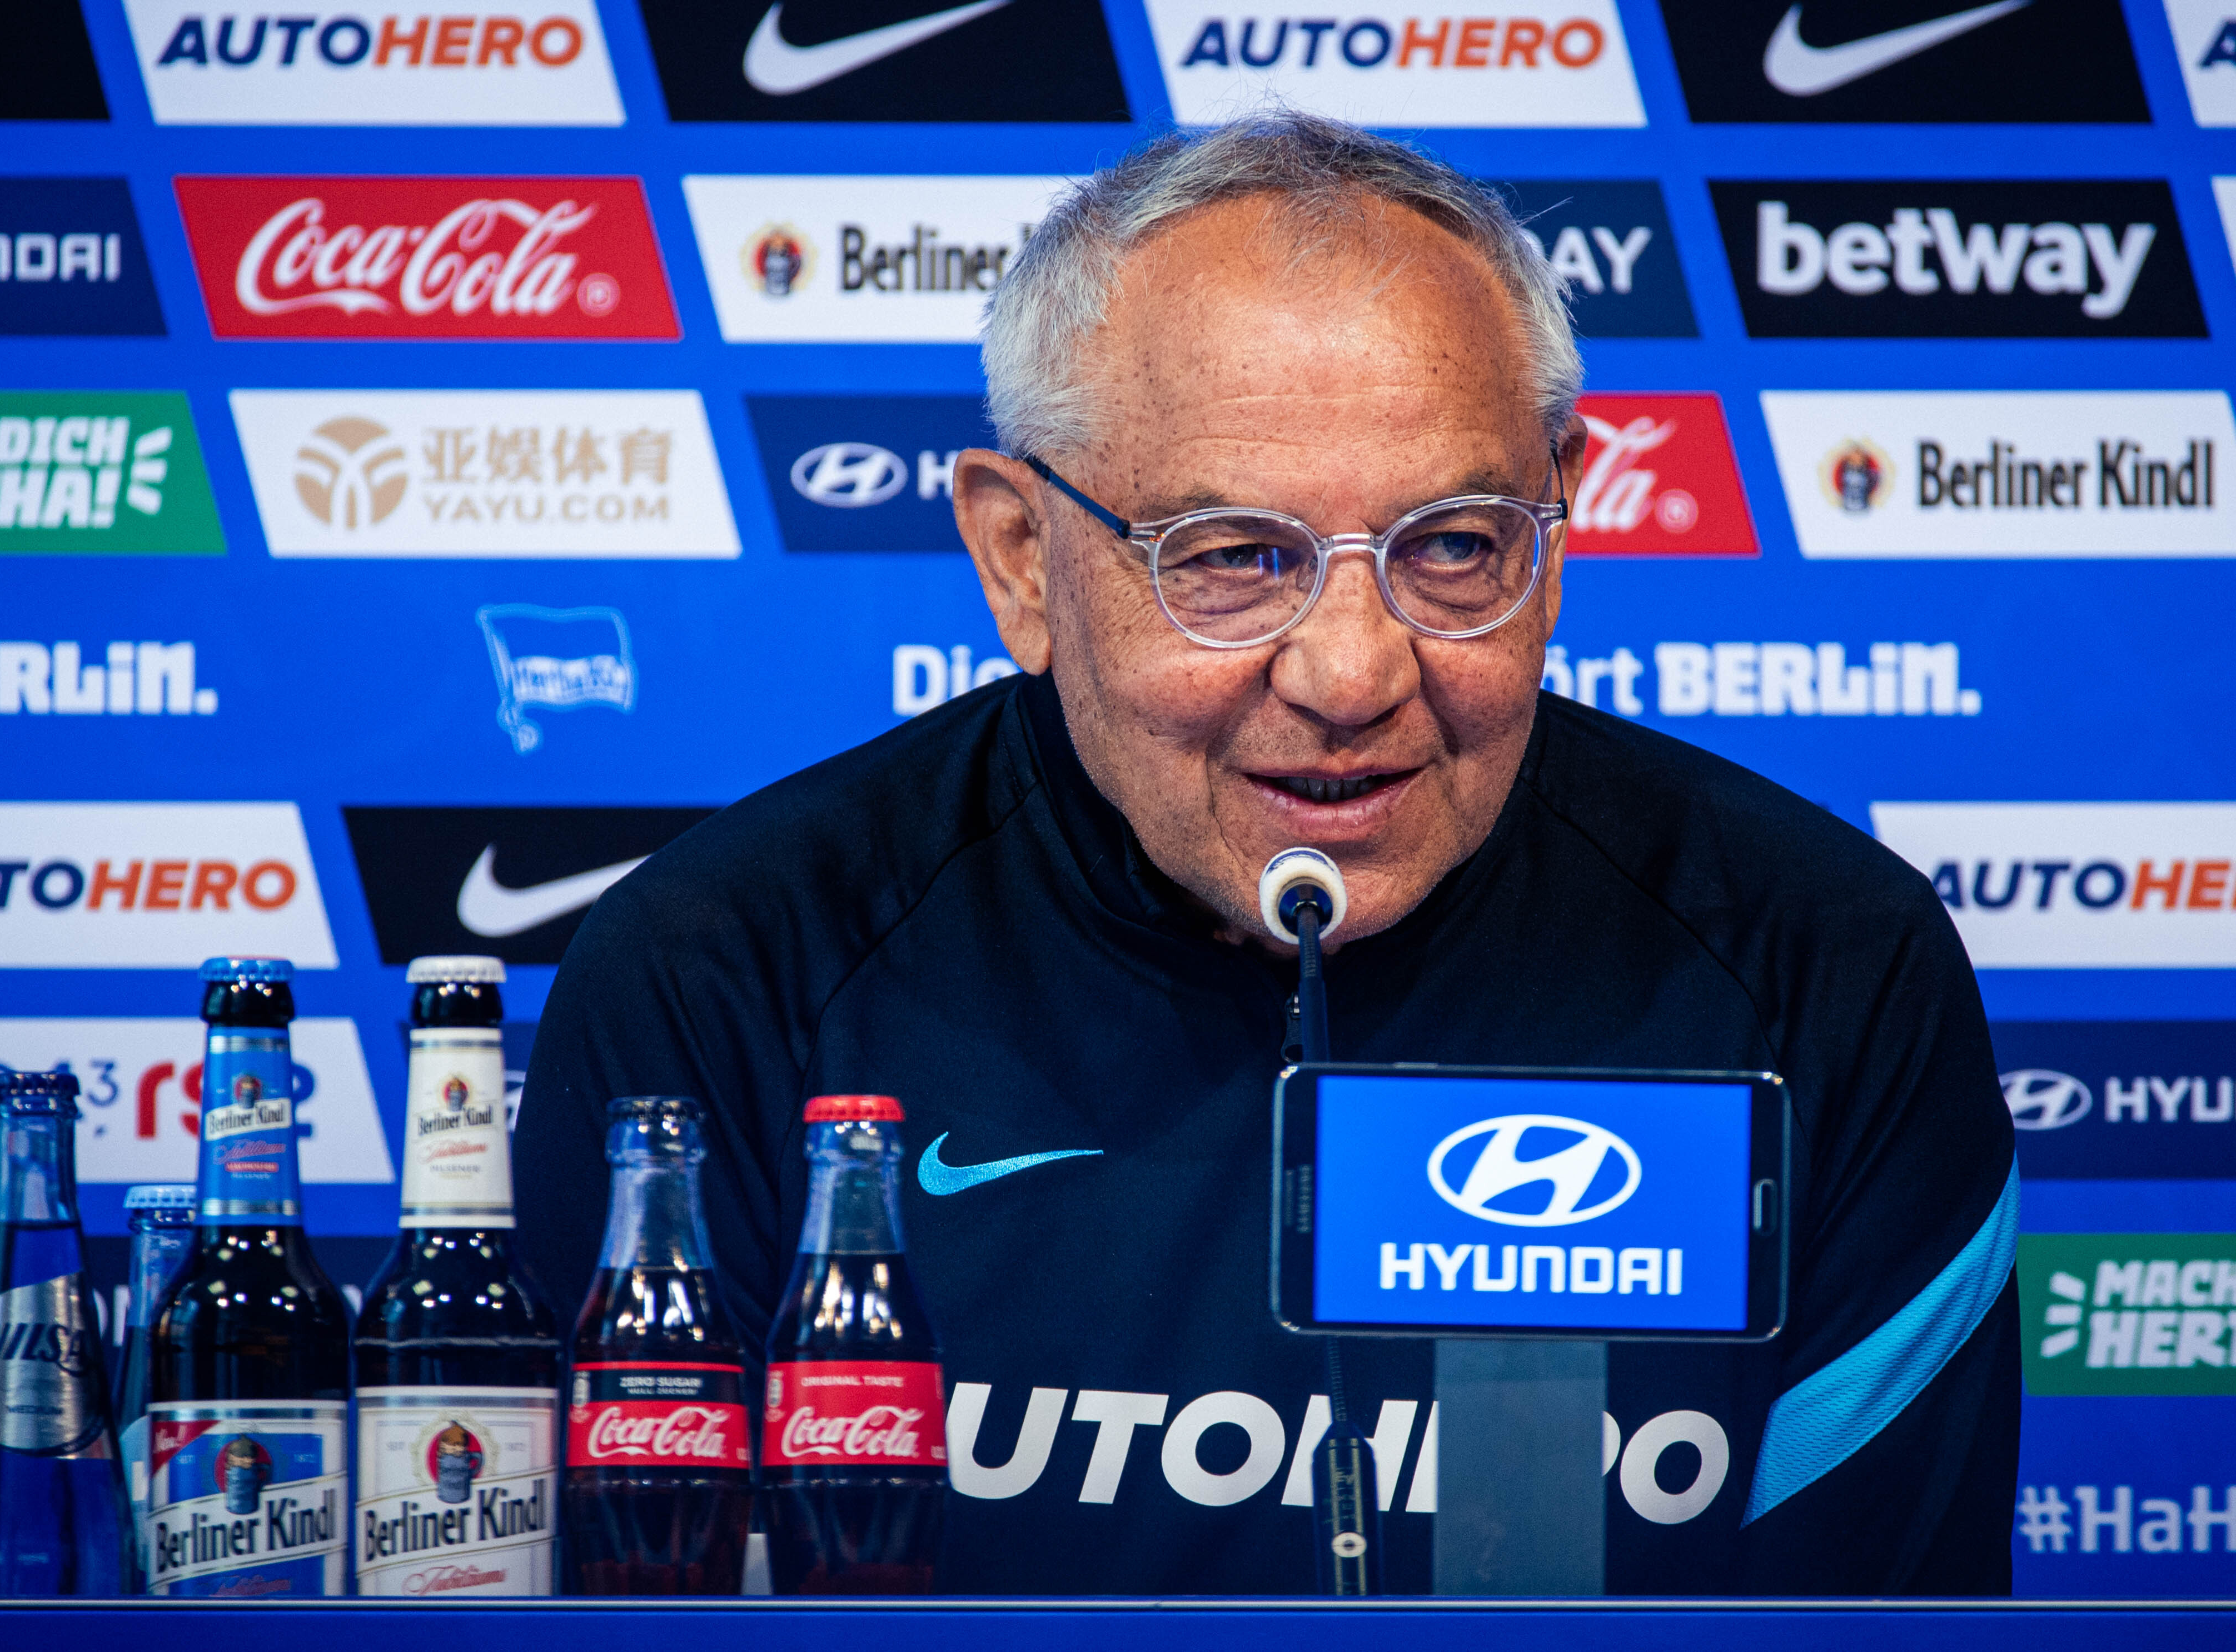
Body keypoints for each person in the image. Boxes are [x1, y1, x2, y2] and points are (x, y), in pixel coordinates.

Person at [516, 111, 2018, 1595]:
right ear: (1019, 560)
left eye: (1452, 545)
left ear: (1559, 517)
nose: (1352, 670)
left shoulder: (1821, 961)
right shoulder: (729, 966)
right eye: (1230, 558)